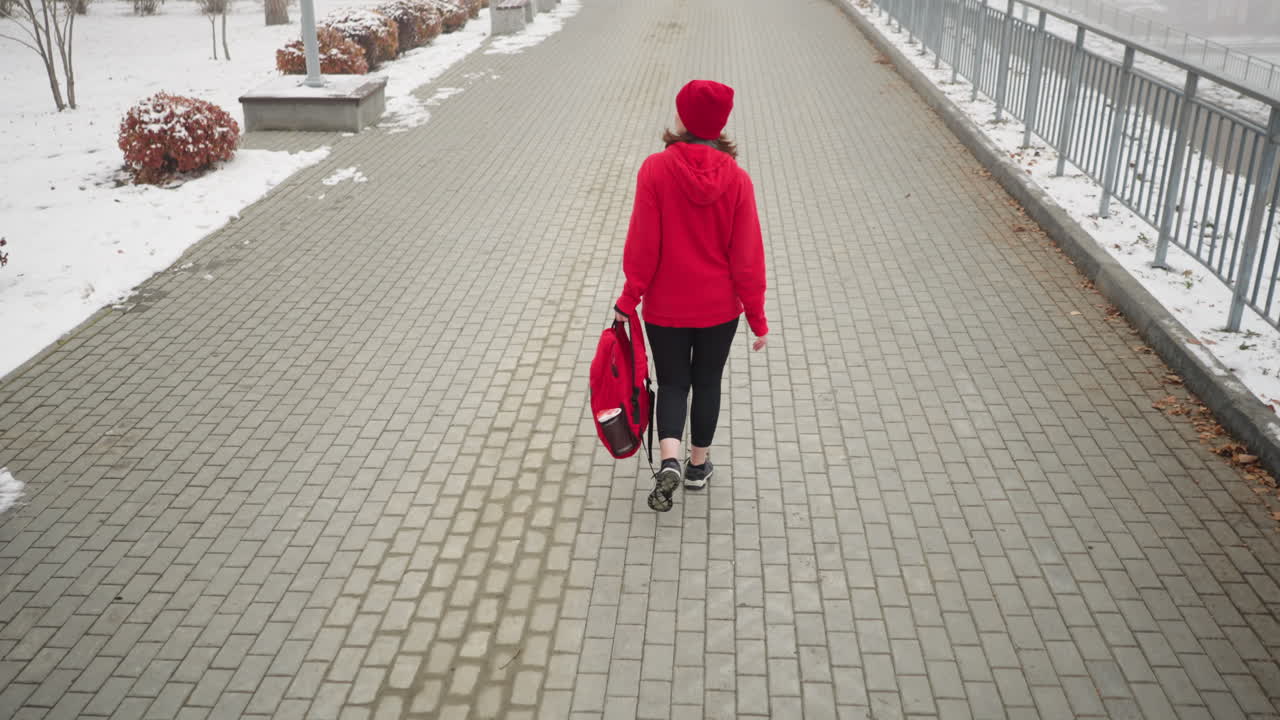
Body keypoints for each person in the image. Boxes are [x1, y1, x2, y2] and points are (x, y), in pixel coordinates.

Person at [613, 79, 769, 513]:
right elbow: (748, 259)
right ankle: (698, 466)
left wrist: (628, 299)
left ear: (683, 120)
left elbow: (642, 246)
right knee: (707, 382)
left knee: (673, 382)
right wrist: (757, 318)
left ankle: (669, 459)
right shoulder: (738, 180)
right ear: (720, 125)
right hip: (720, 308)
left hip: (666, 306)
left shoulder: (655, 169)